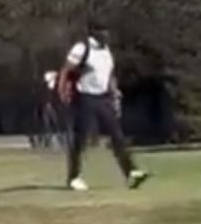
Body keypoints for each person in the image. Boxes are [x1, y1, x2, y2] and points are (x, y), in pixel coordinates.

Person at [58, 20, 149, 191]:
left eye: (107, 31)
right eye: (103, 31)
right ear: (94, 32)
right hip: (85, 97)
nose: (107, 35)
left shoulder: (106, 51)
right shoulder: (82, 48)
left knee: (117, 135)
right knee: (81, 138)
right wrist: (62, 91)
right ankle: (73, 177)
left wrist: (115, 93)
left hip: (103, 98)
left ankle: (130, 172)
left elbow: (109, 75)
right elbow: (66, 70)